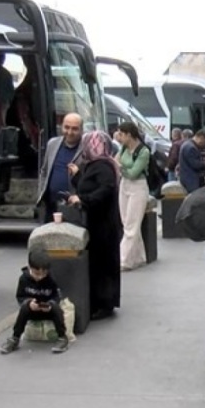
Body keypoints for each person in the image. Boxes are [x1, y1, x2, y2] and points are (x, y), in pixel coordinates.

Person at [67, 131, 122, 321]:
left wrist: (83, 200)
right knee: (97, 263)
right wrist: (77, 176)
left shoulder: (103, 167)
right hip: (96, 222)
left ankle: (104, 303)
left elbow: (104, 190)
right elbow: (87, 185)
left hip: (103, 224)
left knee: (102, 264)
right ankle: (98, 302)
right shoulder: (93, 165)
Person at [0, 250, 69, 355]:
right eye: (37, 274)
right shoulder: (23, 279)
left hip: (47, 310)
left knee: (56, 308)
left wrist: (50, 305)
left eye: (44, 274)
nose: (40, 277)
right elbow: (20, 297)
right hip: (32, 310)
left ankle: (62, 337)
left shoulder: (51, 279)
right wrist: (29, 303)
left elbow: (57, 296)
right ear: (30, 268)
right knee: (24, 308)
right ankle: (15, 338)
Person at [115, 122, 151, 272]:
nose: (119, 137)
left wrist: (120, 167)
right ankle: (139, 257)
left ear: (129, 134)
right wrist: (122, 168)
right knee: (127, 223)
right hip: (124, 184)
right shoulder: (123, 148)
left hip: (138, 187)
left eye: (121, 134)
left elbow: (134, 173)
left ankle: (123, 260)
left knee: (132, 225)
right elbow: (116, 160)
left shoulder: (144, 151)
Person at [37, 112, 84, 222]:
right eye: (66, 127)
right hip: (50, 204)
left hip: (72, 207)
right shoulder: (52, 144)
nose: (69, 132)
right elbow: (44, 171)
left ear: (81, 130)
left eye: (74, 129)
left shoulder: (86, 148)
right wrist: (41, 192)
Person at [178, 128, 205, 193]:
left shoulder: (189, 145)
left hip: (190, 179)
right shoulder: (191, 147)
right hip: (192, 180)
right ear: (201, 138)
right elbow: (195, 164)